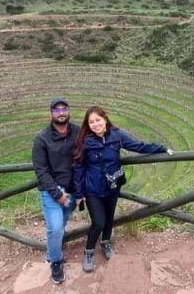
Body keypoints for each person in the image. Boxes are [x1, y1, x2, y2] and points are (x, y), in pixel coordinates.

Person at [72, 106, 173, 272]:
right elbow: (78, 167)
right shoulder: (85, 142)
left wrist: (161, 148)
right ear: (87, 125)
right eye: (91, 122)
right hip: (93, 189)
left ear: (105, 119)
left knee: (109, 218)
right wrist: (79, 193)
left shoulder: (117, 135)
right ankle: (89, 251)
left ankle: (105, 243)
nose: (95, 124)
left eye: (98, 120)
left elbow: (138, 146)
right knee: (98, 222)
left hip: (112, 187)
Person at [31, 96, 80, 284]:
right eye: (57, 110)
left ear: (69, 111)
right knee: (57, 228)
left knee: (62, 223)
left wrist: (80, 191)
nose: (61, 113)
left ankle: (53, 251)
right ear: (51, 113)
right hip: (52, 191)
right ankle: (55, 262)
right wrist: (58, 195)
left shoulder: (77, 132)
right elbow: (41, 172)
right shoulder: (41, 139)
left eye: (64, 109)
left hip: (73, 189)